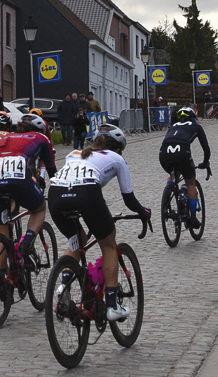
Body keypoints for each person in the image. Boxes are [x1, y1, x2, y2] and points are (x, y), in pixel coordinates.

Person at [48, 124, 151, 321]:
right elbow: (129, 199)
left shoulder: (74, 153)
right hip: (86, 194)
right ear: (118, 148)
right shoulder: (117, 158)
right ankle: (112, 306)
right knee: (109, 244)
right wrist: (144, 212)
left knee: (77, 238)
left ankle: (64, 286)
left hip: (56, 194)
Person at [0, 113, 57, 272]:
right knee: (39, 208)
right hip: (17, 177)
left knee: (1, 228)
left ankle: (0, 278)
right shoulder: (41, 138)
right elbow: (52, 171)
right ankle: (26, 243)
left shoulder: (7, 137)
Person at [158, 106, 211, 229]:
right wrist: (205, 162)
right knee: (190, 182)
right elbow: (206, 148)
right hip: (182, 152)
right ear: (193, 118)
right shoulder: (196, 126)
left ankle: (166, 205)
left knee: (173, 175)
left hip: (164, 153)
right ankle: (192, 219)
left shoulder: (173, 126)